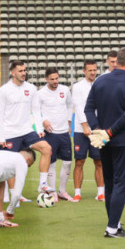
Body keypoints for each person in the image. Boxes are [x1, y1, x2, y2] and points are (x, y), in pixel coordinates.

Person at [85, 47, 125, 238]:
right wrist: (109, 132)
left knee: (109, 182)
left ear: (116, 61)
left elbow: (88, 109)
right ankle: (111, 228)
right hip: (123, 139)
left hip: (104, 140)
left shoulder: (100, 81)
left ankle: (114, 223)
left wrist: (97, 130)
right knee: (121, 183)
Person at [0, 60, 53, 197]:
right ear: (13, 73)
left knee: (46, 148)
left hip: (26, 130)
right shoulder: (3, 91)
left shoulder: (31, 88)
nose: (24, 73)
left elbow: (36, 109)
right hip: (9, 133)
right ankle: (15, 196)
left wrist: (38, 129)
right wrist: (1, 137)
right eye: (20, 71)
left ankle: (43, 184)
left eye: (25, 70)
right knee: (10, 165)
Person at [38, 67, 74, 202]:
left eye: (57, 78)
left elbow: (70, 105)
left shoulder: (65, 90)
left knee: (67, 162)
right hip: (50, 133)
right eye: (52, 79)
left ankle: (62, 191)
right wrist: (43, 120)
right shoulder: (40, 93)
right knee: (51, 163)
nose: (55, 81)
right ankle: (52, 192)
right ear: (46, 79)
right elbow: (36, 111)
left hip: (64, 132)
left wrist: (69, 123)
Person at [71, 60, 105, 201]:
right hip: (81, 129)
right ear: (84, 71)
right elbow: (78, 107)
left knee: (99, 161)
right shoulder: (78, 87)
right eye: (90, 70)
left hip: (97, 129)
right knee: (80, 161)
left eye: (94, 70)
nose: (92, 72)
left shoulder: (101, 84)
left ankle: (101, 192)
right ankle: (77, 193)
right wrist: (85, 125)